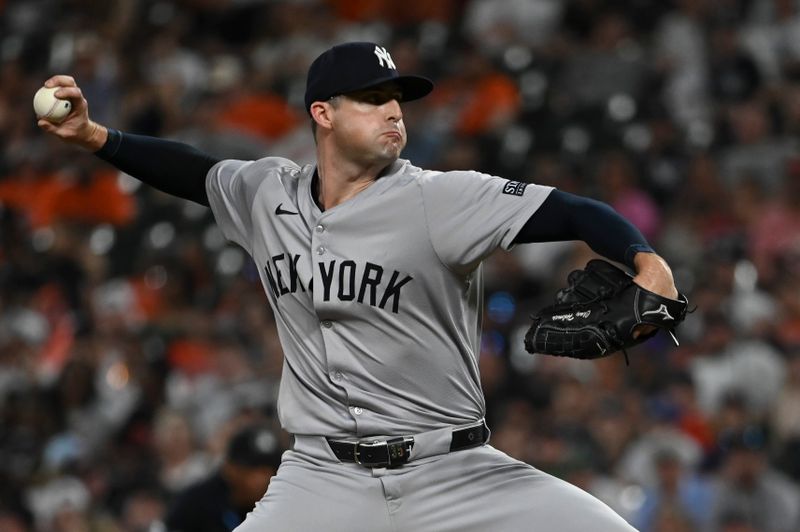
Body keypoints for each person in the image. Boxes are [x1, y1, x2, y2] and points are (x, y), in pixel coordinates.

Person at [39, 41, 680, 531]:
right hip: (321, 477)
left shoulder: (441, 199)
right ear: (323, 113)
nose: (393, 111)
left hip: (454, 471)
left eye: (396, 98)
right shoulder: (268, 194)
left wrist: (645, 259)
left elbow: (573, 210)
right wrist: (98, 138)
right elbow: (193, 172)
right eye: (372, 98)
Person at [164, 423, 283, 532]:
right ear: (230, 468)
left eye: (271, 471)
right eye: (254, 471)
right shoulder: (194, 505)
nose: (265, 479)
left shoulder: (283, 504)